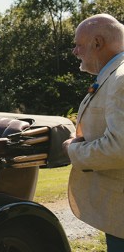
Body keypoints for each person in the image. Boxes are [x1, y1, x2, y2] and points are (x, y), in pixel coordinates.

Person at [63, 14, 124, 251]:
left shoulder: (120, 79)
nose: (75, 51)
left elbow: (119, 147)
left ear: (97, 43)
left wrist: (73, 149)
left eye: (78, 44)